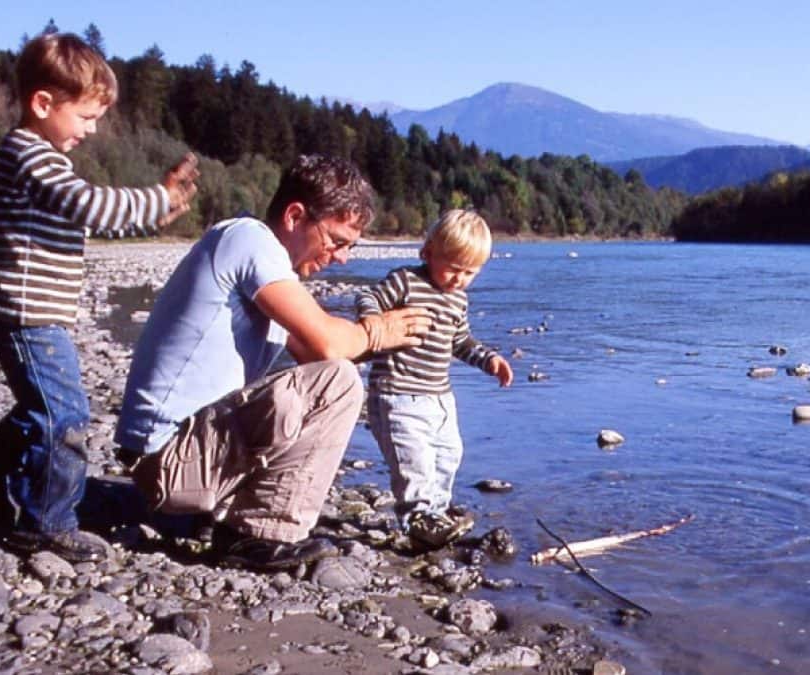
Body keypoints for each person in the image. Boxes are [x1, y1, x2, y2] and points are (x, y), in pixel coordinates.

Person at [114, 154, 431, 572]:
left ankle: (239, 520)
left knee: (324, 379)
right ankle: (260, 534)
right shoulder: (249, 241)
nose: (341, 258)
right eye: (337, 241)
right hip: (168, 464)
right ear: (296, 216)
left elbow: (314, 351)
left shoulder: (266, 265)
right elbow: (330, 347)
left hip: (168, 460)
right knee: (340, 381)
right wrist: (377, 331)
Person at [0, 32, 198, 562]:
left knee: (41, 407)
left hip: (32, 312)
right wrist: (157, 197)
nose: (92, 130)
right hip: (25, 314)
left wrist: (152, 214)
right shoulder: (29, 154)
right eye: (87, 117)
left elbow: (82, 218)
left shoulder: (39, 157)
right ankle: (47, 523)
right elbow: (84, 204)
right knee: (66, 418)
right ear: (44, 103)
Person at [356, 209, 514, 549]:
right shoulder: (406, 281)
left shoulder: (458, 299)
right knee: (414, 461)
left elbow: (461, 342)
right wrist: (374, 320)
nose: (459, 279)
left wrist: (490, 360)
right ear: (427, 253)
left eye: (469, 272)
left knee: (448, 455)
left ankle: (437, 513)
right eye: (453, 268)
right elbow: (367, 297)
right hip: (397, 393)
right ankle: (416, 518)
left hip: (440, 398)